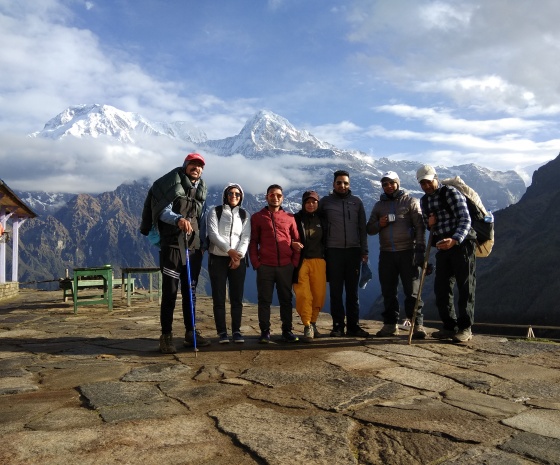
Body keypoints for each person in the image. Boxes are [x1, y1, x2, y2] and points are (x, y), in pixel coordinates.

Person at [140, 152, 211, 354]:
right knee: (170, 292)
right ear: (185, 165)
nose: (196, 168)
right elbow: (162, 211)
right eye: (193, 165)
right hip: (172, 245)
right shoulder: (171, 185)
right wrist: (178, 219)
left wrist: (203, 242)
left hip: (194, 247)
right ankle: (166, 336)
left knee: (191, 292)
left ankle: (191, 333)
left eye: (199, 166)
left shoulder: (200, 189)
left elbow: (202, 217)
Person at [417, 165, 476, 343]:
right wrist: (430, 223)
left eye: (428, 181)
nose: (426, 186)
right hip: (443, 245)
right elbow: (429, 225)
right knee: (441, 288)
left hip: (462, 244)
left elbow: (465, 218)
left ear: (435, 178)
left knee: (465, 286)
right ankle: (450, 326)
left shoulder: (451, 193)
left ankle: (465, 328)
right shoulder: (424, 201)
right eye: (422, 183)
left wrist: (455, 239)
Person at [366, 171, 427, 339]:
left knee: (412, 291)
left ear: (398, 183)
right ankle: (390, 325)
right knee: (388, 290)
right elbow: (369, 229)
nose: (388, 186)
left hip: (408, 252)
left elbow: (420, 227)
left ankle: (417, 325)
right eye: (385, 184)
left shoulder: (410, 202)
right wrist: (380, 223)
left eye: (391, 183)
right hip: (386, 253)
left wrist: (420, 250)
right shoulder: (379, 206)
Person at [319, 170, 370, 338]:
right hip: (333, 252)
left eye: (345, 183)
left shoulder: (357, 202)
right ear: (333, 184)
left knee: (352, 292)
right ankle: (338, 326)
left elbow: (362, 228)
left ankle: (353, 326)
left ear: (349, 184)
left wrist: (364, 250)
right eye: (339, 182)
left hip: (354, 252)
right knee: (335, 291)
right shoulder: (325, 202)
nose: (342, 186)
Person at [249, 184, 301, 343]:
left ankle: (287, 331)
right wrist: (256, 263)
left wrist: (293, 262)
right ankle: (265, 331)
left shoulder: (290, 218)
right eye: (272, 194)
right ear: (267, 197)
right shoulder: (258, 217)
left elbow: (297, 240)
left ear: (282, 198)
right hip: (265, 266)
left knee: (286, 299)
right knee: (264, 300)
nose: (275, 197)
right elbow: (253, 242)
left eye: (278, 195)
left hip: (286, 266)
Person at [207, 183, 251, 344]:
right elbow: (212, 234)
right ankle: (222, 332)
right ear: (225, 195)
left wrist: (238, 256)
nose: (234, 196)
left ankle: (237, 331)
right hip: (218, 258)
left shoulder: (245, 215)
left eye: (237, 194)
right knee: (219, 297)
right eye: (231, 193)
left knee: (236, 297)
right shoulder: (215, 211)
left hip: (238, 259)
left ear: (241, 197)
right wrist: (229, 251)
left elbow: (246, 237)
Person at [291, 190, 327, 342]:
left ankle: (313, 322)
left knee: (318, 295)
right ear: (303, 204)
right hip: (302, 261)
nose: (311, 204)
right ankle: (307, 325)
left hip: (319, 261)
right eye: (308, 202)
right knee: (304, 295)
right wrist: (292, 243)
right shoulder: (296, 218)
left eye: (314, 202)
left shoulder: (323, 219)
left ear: (318, 203)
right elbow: (288, 235)